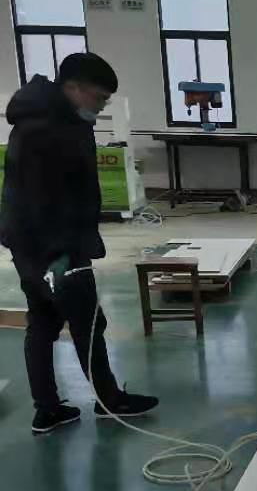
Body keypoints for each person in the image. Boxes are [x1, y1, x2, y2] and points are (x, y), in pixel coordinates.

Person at [0, 52, 158, 434]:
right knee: (87, 322)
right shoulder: (47, 131)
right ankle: (109, 401)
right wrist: (61, 254)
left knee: (43, 321)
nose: (101, 106)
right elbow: (41, 199)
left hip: (33, 244)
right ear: (73, 87)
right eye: (99, 98)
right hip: (54, 247)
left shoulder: (51, 119)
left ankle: (48, 409)